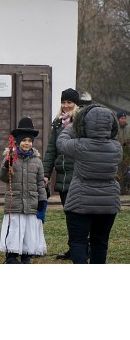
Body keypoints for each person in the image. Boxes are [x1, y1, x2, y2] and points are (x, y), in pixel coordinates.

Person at [56, 105, 122, 264]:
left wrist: (72, 126)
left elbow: (61, 142)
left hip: (80, 202)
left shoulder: (79, 145)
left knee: (78, 242)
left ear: (85, 123)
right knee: (100, 242)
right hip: (108, 203)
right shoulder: (116, 148)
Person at [0, 117, 47, 264]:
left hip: (31, 202)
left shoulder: (37, 161)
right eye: (24, 140)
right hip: (15, 202)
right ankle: (11, 255)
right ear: (18, 142)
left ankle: (26, 254)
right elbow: (2, 177)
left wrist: (42, 201)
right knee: (14, 229)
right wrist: (7, 165)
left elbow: (40, 182)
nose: (27, 143)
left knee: (28, 230)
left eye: (29, 141)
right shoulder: (11, 158)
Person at [42, 87, 80, 260]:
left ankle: (81, 248)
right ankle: (74, 248)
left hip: (79, 174)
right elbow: (51, 150)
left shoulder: (81, 123)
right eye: (63, 102)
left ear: (76, 104)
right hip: (62, 175)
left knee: (79, 214)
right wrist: (46, 173)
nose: (66, 106)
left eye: (69, 102)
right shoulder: (57, 123)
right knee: (69, 214)